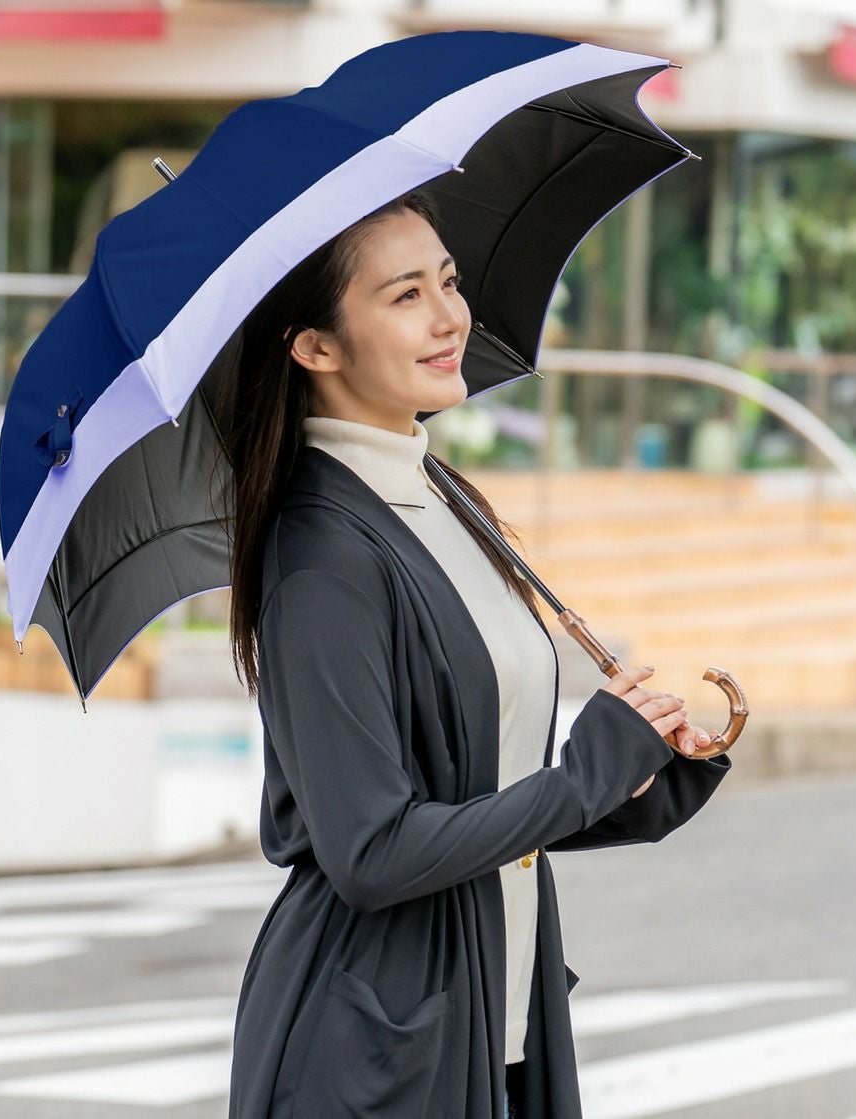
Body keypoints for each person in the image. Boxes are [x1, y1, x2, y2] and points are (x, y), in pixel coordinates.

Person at [223, 189, 732, 1119]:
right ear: (315, 346)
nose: (450, 315)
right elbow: (372, 848)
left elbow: (473, 792)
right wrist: (581, 779)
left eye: (447, 281)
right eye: (405, 295)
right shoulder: (321, 552)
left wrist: (631, 779)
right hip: (373, 1047)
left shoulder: (438, 493)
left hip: (488, 1016)